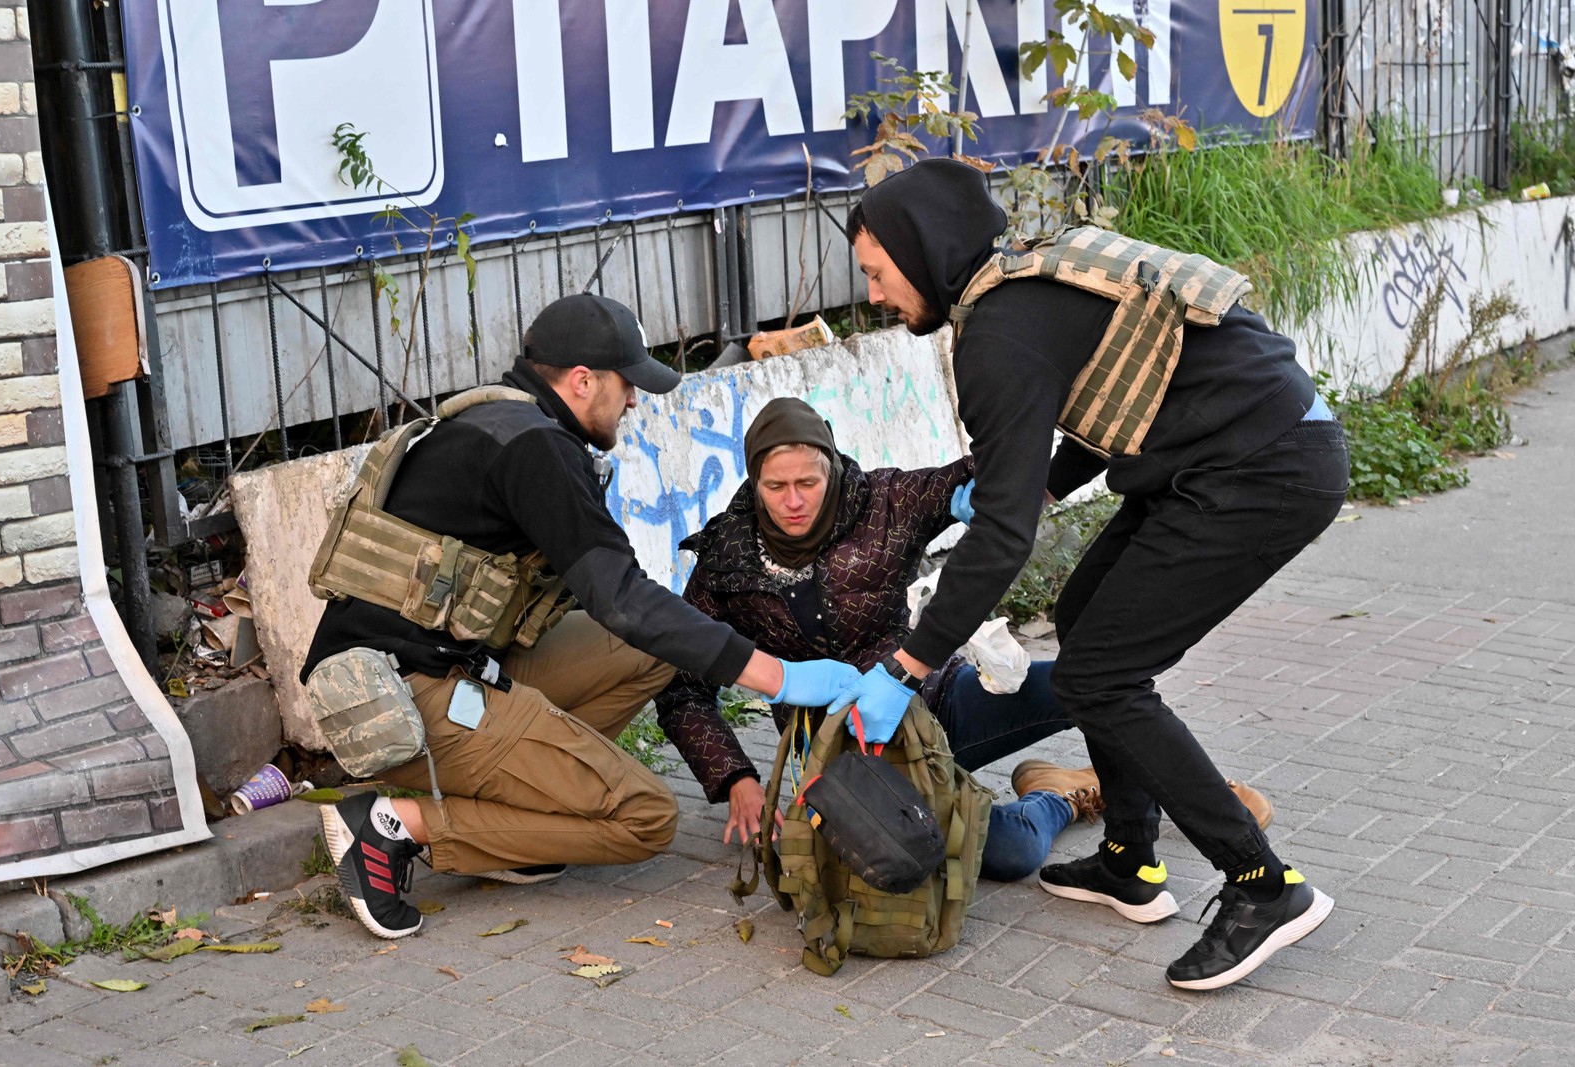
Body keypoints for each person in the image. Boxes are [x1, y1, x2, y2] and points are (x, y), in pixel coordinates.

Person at [841, 158, 1348, 990]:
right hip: (1230, 450)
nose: (872, 294)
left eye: (876, 271)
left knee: (1101, 676)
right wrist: (1038, 480)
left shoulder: (997, 335)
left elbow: (1003, 538)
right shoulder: (1025, 288)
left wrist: (908, 665)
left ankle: (1263, 886)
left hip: (1261, 467)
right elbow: (1127, 386)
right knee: (1083, 624)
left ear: (921, 249)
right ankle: (1130, 860)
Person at [300, 294, 861, 940]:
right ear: (582, 380)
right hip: (411, 699)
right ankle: (393, 824)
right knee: (645, 816)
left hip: (447, 665)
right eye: (626, 385)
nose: (632, 401)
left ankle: (524, 819)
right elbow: (621, 597)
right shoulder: (536, 449)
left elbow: (634, 610)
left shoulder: (501, 422)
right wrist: (779, 677)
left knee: (657, 644)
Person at [652, 397, 1272, 882]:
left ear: (833, 467)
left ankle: (1193, 791)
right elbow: (682, 686)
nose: (793, 502)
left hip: (941, 702)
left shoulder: (884, 500)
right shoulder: (726, 561)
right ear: (754, 482)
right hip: (850, 766)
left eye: (808, 483)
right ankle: (1066, 798)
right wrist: (734, 775)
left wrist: (996, 472)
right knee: (1010, 853)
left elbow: (995, 470)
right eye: (775, 487)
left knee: (1087, 683)